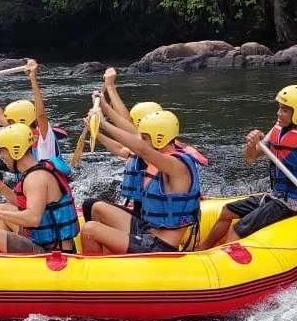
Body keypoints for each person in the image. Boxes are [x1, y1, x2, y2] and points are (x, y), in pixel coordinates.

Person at [198, 85, 297, 250]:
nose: (278, 113)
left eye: (284, 110)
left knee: (238, 229)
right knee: (227, 211)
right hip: (276, 196)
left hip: (295, 203)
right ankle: (201, 250)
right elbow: (251, 157)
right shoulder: (278, 130)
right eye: (279, 108)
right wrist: (252, 144)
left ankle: (222, 264)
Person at [82, 67, 207, 223]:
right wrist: (103, 112)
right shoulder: (157, 145)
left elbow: (131, 133)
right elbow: (124, 141)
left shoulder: (166, 157)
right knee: (92, 206)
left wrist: (105, 117)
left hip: (158, 222)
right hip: (147, 211)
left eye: (144, 134)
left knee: (93, 207)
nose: (139, 134)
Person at [80, 109, 204, 254]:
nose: (140, 141)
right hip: (147, 229)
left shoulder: (176, 165)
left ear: (160, 138)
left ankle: (98, 273)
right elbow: (135, 143)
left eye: (144, 138)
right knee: (97, 208)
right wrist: (95, 127)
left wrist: (103, 123)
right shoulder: (163, 156)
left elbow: (142, 150)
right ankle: (111, 260)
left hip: (161, 245)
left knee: (90, 230)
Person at [0, 123, 80, 254]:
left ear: (16, 150)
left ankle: (3, 265)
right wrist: (1, 187)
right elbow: (24, 205)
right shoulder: (34, 170)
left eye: (3, 151)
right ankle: (4, 257)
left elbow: (33, 218)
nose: (1, 156)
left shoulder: (36, 178)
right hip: (41, 240)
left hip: (53, 251)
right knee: (2, 209)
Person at [0, 58, 71, 173]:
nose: (8, 125)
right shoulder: (19, 136)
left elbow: (41, 115)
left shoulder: (44, 136)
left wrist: (33, 78)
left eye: (11, 122)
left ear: (24, 121)